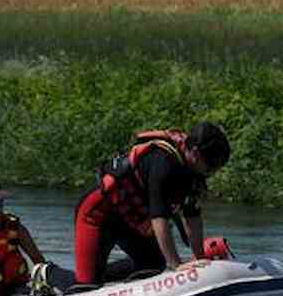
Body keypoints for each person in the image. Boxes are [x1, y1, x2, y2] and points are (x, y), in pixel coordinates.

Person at [73, 121, 231, 286]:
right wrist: (176, 265)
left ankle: (99, 275)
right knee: (86, 287)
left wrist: (200, 258)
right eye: (212, 165)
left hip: (128, 220)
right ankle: (48, 273)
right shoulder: (163, 163)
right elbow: (158, 218)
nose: (213, 172)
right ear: (196, 153)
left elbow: (193, 218)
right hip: (97, 216)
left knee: (153, 265)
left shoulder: (194, 171)